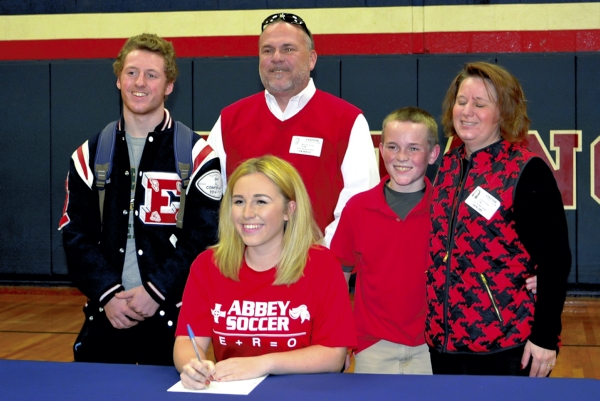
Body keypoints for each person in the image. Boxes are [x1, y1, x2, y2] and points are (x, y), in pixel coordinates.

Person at [58, 33, 222, 365]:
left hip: (173, 319)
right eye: (131, 72)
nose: (140, 83)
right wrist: (108, 294)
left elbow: (205, 238)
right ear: (118, 79)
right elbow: (76, 237)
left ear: (169, 85)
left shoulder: (198, 156)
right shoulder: (88, 155)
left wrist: (156, 290)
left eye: (152, 75)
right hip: (107, 314)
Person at [426, 61, 571, 377]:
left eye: (480, 104)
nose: (467, 111)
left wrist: (545, 337)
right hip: (444, 344)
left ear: (503, 112)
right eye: (462, 101)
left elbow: (556, 259)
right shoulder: (446, 168)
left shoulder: (526, 171)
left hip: (506, 345)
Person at [174, 155, 356, 389]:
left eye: (261, 201)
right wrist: (193, 367)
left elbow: (333, 355)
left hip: (303, 391)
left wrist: (262, 364)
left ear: (289, 210)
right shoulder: (208, 265)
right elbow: (187, 342)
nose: (247, 213)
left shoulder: (322, 265)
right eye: (239, 201)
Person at [207, 12, 379, 246]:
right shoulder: (229, 120)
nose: (277, 58)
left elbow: (360, 205)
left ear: (311, 59)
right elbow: (212, 202)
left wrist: (319, 256)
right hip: (245, 263)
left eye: (288, 49)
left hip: (319, 262)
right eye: (268, 50)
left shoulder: (348, 121)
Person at [330, 107, 440, 374]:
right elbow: (338, 278)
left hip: (432, 347)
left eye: (413, 148)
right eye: (392, 147)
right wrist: (338, 341)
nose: (401, 157)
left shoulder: (446, 209)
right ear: (380, 150)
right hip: (372, 347)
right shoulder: (358, 208)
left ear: (433, 153)